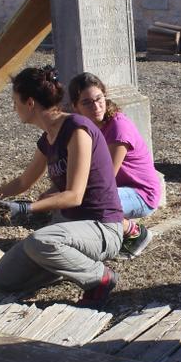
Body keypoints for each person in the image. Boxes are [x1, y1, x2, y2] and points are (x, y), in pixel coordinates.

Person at [0, 66, 124, 307]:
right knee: (3, 279)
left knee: (39, 242)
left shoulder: (77, 129)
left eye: (15, 102)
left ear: (30, 103)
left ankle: (100, 277)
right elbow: (22, 182)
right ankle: (69, 265)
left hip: (102, 228)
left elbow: (74, 196)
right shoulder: (47, 138)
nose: (13, 108)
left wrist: (27, 209)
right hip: (68, 230)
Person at [67, 72, 163, 259]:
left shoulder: (118, 127)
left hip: (142, 193)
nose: (96, 106)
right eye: (87, 102)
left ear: (105, 95)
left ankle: (134, 233)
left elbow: (107, 177)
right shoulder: (84, 127)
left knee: (87, 203)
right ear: (75, 107)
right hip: (119, 189)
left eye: (99, 98)